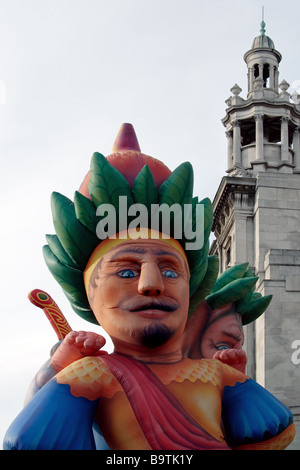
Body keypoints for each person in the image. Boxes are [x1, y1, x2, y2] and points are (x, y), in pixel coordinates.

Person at [3, 125, 295, 450]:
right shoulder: (91, 375)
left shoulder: (217, 376)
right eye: (127, 273)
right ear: (88, 293)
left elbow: (272, 438)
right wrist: (58, 366)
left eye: (171, 272)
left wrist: (237, 390)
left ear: (191, 288)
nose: (152, 284)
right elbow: (34, 441)